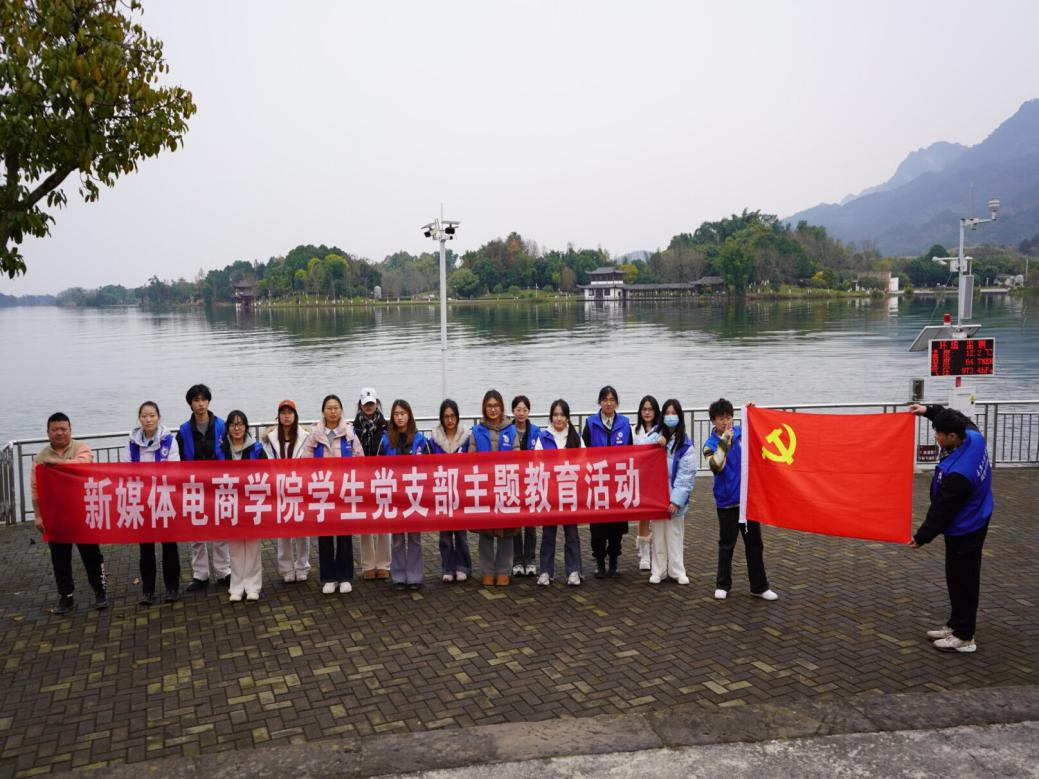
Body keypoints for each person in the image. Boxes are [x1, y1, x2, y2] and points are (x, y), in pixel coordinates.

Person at [908, 403, 994, 654]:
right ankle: (956, 625)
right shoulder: (974, 436)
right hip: (977, 516)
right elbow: (956, 417)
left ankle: (964, 637)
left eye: (938, 433)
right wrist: (927, 410)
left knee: (963, 582)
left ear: (952, 436)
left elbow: (941, 511)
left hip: (966, 529)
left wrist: (921, 537)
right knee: (958, 579)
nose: (935, 436)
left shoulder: (959, 474)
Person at [32, 413, 107, 614]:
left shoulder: (81, 448)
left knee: (92, 555)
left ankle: (100, 592)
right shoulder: (40, 458)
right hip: (55, 516)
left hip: (83, 513)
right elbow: (35, 488)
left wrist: (55, 464)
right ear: (48, 432)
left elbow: (83, 464)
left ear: (70, 430)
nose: (59, 433)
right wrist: (38, 515)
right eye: (54, 429)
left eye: (63, 429)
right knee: (60, 559)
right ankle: (65, 596)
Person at [703, 398, 777, 601]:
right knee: (727, 545)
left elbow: (762, 432)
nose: (726, 421)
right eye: (721, 418)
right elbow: (716, 466)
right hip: (727, 502)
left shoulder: (742, 434)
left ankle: (759, 586)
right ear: (713, 421)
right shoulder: (710, 444)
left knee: (754, 544)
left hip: (748, 501)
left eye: (729, 417)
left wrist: (754, 412)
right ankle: (723, 585)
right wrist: (725, 441)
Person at [302, 394, 363, 595]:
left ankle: (345, 577)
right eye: (329, 408)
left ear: (341, 410)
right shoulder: (315, 434)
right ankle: (329, 577)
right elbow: (306, 461)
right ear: (323, 411)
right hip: (322, 493)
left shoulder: (350, 433)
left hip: (344, 491)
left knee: (345, 536)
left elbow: (359, 459)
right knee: (325, 536)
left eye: (336, 407)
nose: (333, 411)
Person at [175, 384, 230, 592]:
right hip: (194, 485)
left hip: (218, 484)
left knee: (220, 529)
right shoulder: (184, 431)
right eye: (196, 400)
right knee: (196, 532)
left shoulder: (222, 426)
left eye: (203, 400)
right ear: (190, 404)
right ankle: (200, 574)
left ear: (208, 401)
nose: (200, 404)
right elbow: (179, 460)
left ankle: (223, 570)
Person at [126, 401, 182, 605]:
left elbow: (175, 470)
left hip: (164, 499)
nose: (148, 419)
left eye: (152, 415)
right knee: (146, 548)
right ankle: (148, 590)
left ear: (159, 417)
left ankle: (172, 588)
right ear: (139, 418)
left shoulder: (169, 441)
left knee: (169, 546)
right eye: (144, 416)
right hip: (142, 501)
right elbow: (127, 471)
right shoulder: (131, 443)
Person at [466, 389, 518, 586]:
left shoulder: (511, 430)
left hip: (506, 486)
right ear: (484, 408)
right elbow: (470, 459)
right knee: (486, 532)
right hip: (485, 487)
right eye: (489, 406)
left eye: (496, 406)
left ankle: (504, 570)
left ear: (501, 407)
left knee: (507, 532)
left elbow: (518, 457)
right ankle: (487, 570)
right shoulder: (476, 431)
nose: (493, 409)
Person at [581, 385, 632, 578]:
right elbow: (583, 452)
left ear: (616, 403)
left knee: (617, 526)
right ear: (600, 402)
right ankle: (600, 562)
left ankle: (614, 561)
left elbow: (632, 452)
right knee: (598, 527)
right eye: (605, 400)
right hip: (598, 483)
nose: (608, 403)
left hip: (618, 482)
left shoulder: (625, 423)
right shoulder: (591, 423)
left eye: (612, 400)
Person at [534, 399, 584, 586]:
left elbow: (583, 462)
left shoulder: (576, 437)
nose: (559, 418)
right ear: (551, 417)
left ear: (568, 417)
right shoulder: (543, 437)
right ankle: (546, 571)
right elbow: (537, 463)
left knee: (572, 534)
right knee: (548, 534)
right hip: (550, 493)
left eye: (562, 415)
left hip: (570, 492)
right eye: (555, 415)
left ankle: (574, 571)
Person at [382, 399, 431, 591]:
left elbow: (430, 467)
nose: (400, 417)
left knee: (414, 538)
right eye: (396, 414)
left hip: (415, 496)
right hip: (395, 495)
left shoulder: (420, 439)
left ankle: (415, 576)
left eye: (403, 413)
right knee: (397, 539)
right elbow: (377, 467)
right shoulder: (386, 440)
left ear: (409, 415)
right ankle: (398, 576)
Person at [262, 400, 311, 583]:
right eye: (283, 413)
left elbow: (310, 461)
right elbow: (267, 463)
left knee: (302, 531)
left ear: (295, 415)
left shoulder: (306, 437)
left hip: (300, 488)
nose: (287, 416)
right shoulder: (270, 439)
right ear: (278, 416)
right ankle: (286, 569)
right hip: (280, 489)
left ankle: (302, 566)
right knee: (283, 532)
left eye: (290, 412)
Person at [221, 410, 268, 602]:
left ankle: (253, 586)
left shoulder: (256, 449)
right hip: (230, 503)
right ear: (228, 428)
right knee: (235, 547)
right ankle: (236, 586)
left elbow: (267, 475)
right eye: (233, 424)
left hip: (252, 503)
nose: (237, 428)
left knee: (253, 547)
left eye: (240, 424)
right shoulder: (221, 450)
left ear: (246, 427)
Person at [649, 399, 694, 585]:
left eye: (673, 413)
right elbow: (640, 446)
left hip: (674, 496)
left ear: (680, 416)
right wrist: (655, 440)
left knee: (675, 535)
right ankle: (658, 571)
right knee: (658, 535)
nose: (670, 417)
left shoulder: (685, 444)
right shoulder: (655, 434)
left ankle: (677, 570)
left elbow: (686, 475)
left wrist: (676, 500)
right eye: (667, 413)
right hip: (656, 496)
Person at [429, 399, 472, 583]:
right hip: (441, 490)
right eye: (446, 416)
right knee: (445, 534)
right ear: (441, 418)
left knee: (461, 533)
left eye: (453, 416)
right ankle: (448, 567)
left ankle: (463, 566)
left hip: (460, 489)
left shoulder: (466, 437)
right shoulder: (434, 439)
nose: (450, 420)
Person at [353, 387, 391, 581]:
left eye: (371, 403)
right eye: (365, 404)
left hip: (383, 478)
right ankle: (368, 564)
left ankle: (383, 564)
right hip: (361, 479)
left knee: (384, 521)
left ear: (377, 404)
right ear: (360, 405)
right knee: (365, 522)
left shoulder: (387, 427)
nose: (369, 407)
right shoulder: (353, 429)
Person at [511, 395, 540, 577]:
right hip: (513, 481)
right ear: (513, 411)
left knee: (530, 524)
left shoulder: (536, 431)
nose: (521, 413)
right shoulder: (508, 430)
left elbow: (541, 456)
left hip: (531, 481)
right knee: (515, 523)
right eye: (518, 410)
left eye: (524, 410)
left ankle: (530, 560)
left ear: (529, 411)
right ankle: (516, 561)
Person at [632, 395, 662, 572]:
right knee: (643, 516)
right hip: (640, 476)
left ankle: (658, 553)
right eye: (644, 409)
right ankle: (644, 555)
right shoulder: (635, 431)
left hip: (657, 477)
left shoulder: (662, 431)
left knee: (656, 518)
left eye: (650, 409)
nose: (647, 412)